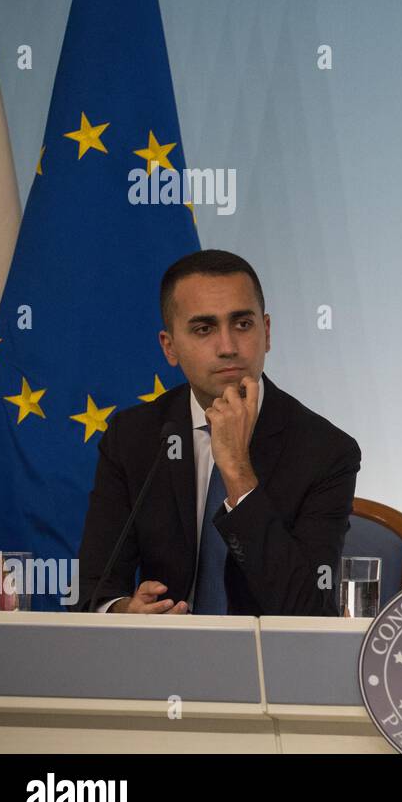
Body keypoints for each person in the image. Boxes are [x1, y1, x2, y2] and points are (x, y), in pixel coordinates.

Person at [75, 250, 360, 616]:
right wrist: (123, 611)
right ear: (170, 347)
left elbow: (308, 611)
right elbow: (92, 585)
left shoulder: (326, 451)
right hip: (164, 661)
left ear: (267, 332)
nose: (228, 347)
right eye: (204, 329)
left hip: (269, 665)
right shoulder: (133, 437)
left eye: (242, 324)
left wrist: (238, 473)